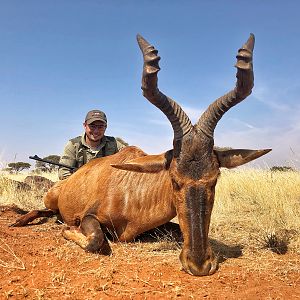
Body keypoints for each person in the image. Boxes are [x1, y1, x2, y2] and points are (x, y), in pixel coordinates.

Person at [58, 109, 126, 180]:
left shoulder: (114, 143)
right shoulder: (73, 144)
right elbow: (63, 173)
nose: (96, 131)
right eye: (92, 126)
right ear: (85, 125)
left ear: (105, 127)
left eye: (100, 127)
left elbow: (130, 156)